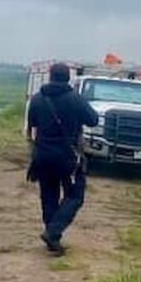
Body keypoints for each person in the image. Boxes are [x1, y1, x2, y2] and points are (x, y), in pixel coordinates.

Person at [26, 63, 98, 256]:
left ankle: (52, 238)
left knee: (48, 196)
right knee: (75, 196)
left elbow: (32, 124)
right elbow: (93, 120)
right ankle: (53, 232)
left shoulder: (38, 99)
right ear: (68, 78)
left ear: (50, 76)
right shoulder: (75, 99)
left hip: (42, 155)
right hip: (67, 157)